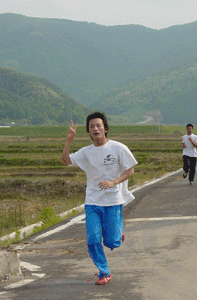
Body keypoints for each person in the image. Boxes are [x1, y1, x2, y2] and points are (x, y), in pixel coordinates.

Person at [61, 112, 137, 285]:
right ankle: (104, 272)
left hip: (112, 201)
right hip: (93, 202)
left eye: (98, 125)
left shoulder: (118, 148)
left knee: (112, 242)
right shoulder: (86, 152)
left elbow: (130, 170)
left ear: (105, 128)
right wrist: (69, 141)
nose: (95, 128)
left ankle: (118, 232)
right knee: (93, 238)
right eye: (91, 126)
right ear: (88, 131)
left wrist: (114, 182)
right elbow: (65, 161)